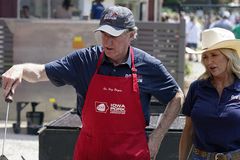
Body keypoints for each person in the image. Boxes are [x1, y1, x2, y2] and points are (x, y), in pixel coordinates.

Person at [2, 6, 183, 160]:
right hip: (90, 153)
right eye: (103, 34)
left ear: (132, 35)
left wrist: (157, 137)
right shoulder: (85, 61)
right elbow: (41, 72)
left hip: (132, 154)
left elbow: (176, 96)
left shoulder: (148, 66)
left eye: (115, 35)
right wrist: (21, 69)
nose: (107, 41)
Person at [179, 27, 240, 160]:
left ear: (229, 56)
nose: (209, 61)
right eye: (205, 57)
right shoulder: (197, 87)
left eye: (214, 55)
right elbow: (188, 130)